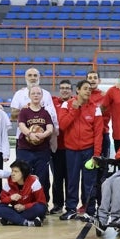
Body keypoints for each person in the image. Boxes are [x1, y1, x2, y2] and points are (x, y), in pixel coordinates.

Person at [57, 80, 104, 220]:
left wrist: (96, 154)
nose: (88, 91)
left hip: (88, 150)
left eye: (90, 89)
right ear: (77, 90)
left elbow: (98, 133)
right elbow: (63, 126)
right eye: (85, 88)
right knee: (72, 180)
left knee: (89, 182)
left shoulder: (95, 108)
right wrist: (74, 110)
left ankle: (89, 210)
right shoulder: (67, 105)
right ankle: (71, 209)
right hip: (71, 150)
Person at [16, 85, 54, 204]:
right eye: (33, 93)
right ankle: (24, 201)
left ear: (42, 96)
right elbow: (21, 125)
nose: (36, 95)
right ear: (29, 96)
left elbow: (50, 128)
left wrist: (44, 135)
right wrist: (29, 134)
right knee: (25, 176)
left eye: (38, 93)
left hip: (42, 151)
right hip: (25, 149)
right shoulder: (24, 111)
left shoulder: (45, 112)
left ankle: (42, 202)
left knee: (42, 178)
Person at [9, 67, 59, 152]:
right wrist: (26, 110)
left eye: (35, 75)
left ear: (39, 78)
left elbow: (53, 116)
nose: (33, 78)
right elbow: (13, 116)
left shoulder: (46, 94)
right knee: (22, 165)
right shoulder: (19, 94)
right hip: (23, 138)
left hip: (42, 138)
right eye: (30, 75)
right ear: (25, 78)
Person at [0, 160, 48, 227]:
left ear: (23, 173)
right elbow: (2, 201)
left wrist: (25, 207)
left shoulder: (34, 182)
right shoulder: (9, 182)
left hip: (29, 210)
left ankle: (11, 220)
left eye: (16, 171)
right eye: (12, 171)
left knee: (41, 208)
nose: (12, 174)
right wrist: (10, 198)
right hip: (15, 210)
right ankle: (26, 222)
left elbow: (41, 202)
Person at [49, 79, 73, 215]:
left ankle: (70, 205)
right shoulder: (52, 102)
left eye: (67, 88)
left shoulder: (75, 103)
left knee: (71, 178)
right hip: (56, 147)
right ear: (59, 90)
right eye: (62, 88)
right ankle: (57, 205)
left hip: (71, 147)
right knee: (57, 178)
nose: (65, 90)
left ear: (71, 90)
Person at [87, 70, 111, 157]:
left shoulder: (106, 96)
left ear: (99, 81)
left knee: (103, 166)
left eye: (95, 78)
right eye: (90, 78)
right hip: (87, 136)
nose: (92, 80)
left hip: (103, 134)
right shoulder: (83, 96)